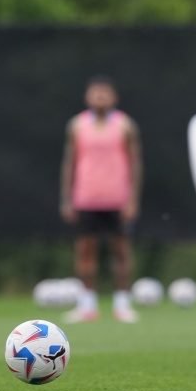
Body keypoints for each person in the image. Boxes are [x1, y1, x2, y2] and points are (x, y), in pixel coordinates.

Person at [59, 76, 143, 323]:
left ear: (114, 97)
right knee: (85, 253)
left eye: (104, 93)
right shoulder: (76, 125)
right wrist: (67, 199)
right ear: (87, 97)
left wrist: (132, 199)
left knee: (121, 252)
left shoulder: (125, 125)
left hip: (117, 199)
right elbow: (69, 162)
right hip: (86, 198)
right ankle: (87, 306)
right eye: (95, 93)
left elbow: (135, 163)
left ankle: (122, 305)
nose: (100, 97)